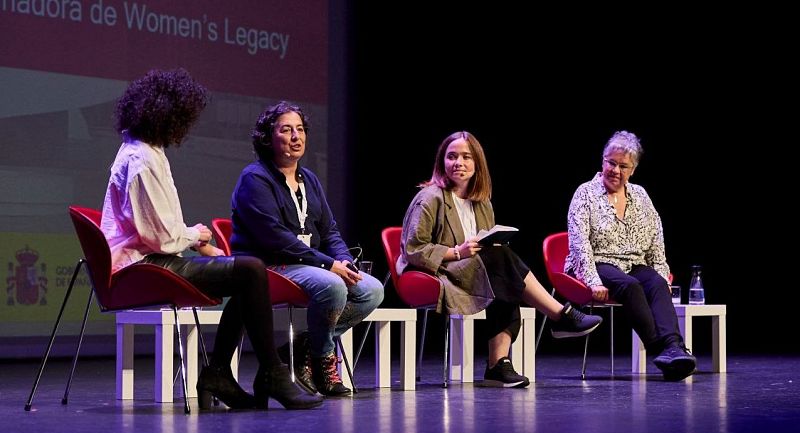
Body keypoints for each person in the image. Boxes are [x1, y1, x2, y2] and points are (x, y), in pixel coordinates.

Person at [100, 69, 322, 410]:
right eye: (184, 116)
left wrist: (194, 240)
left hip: (153, 258)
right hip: (143, 267)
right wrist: (196, 235)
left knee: (246, 276)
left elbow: (157, 225)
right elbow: (159, 236)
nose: (186, 126)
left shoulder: (145, 151)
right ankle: (269, 373)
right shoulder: (142, 160)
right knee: (249, 270)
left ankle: (220, 373)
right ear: (168, 114)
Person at [398, 131, 603, 388]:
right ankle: (558, 316)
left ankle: (499, 364)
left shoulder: (481, 202)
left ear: (477, 165)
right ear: (442, 162)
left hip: (478, 271)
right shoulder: (429, 198)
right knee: (503, 264)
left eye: (465, 157)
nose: (458, 163)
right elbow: (413, 249)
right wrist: (457, 252)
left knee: (505, 275)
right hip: (442, 272)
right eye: (452, 157)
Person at [230, 101, 384, 397]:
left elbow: (329, 230)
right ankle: (323, 361)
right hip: (269, 267)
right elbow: (275, 238)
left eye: (300, 129)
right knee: (332, 286)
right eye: (286, 130)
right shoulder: (255, 178)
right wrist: (328, 265)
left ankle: (306, 345)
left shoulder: (309, 179)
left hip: (307, 264)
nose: (296, 136)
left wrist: (344, 260)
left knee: (372, 290)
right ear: (268, 137)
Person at [565, 130, 696, 381]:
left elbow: (656, 240)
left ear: (632, 170)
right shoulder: (585, 194)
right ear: (602, 161)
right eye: (610, 162)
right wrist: (592, 280)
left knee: (657, 283)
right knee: (631, 286)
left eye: (623, 166)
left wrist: (662, 273)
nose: (615, 170)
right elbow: (580, 244)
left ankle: (674, 347)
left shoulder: (641, 196)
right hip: (597, 262)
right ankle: (661, 351)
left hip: (633, 263)